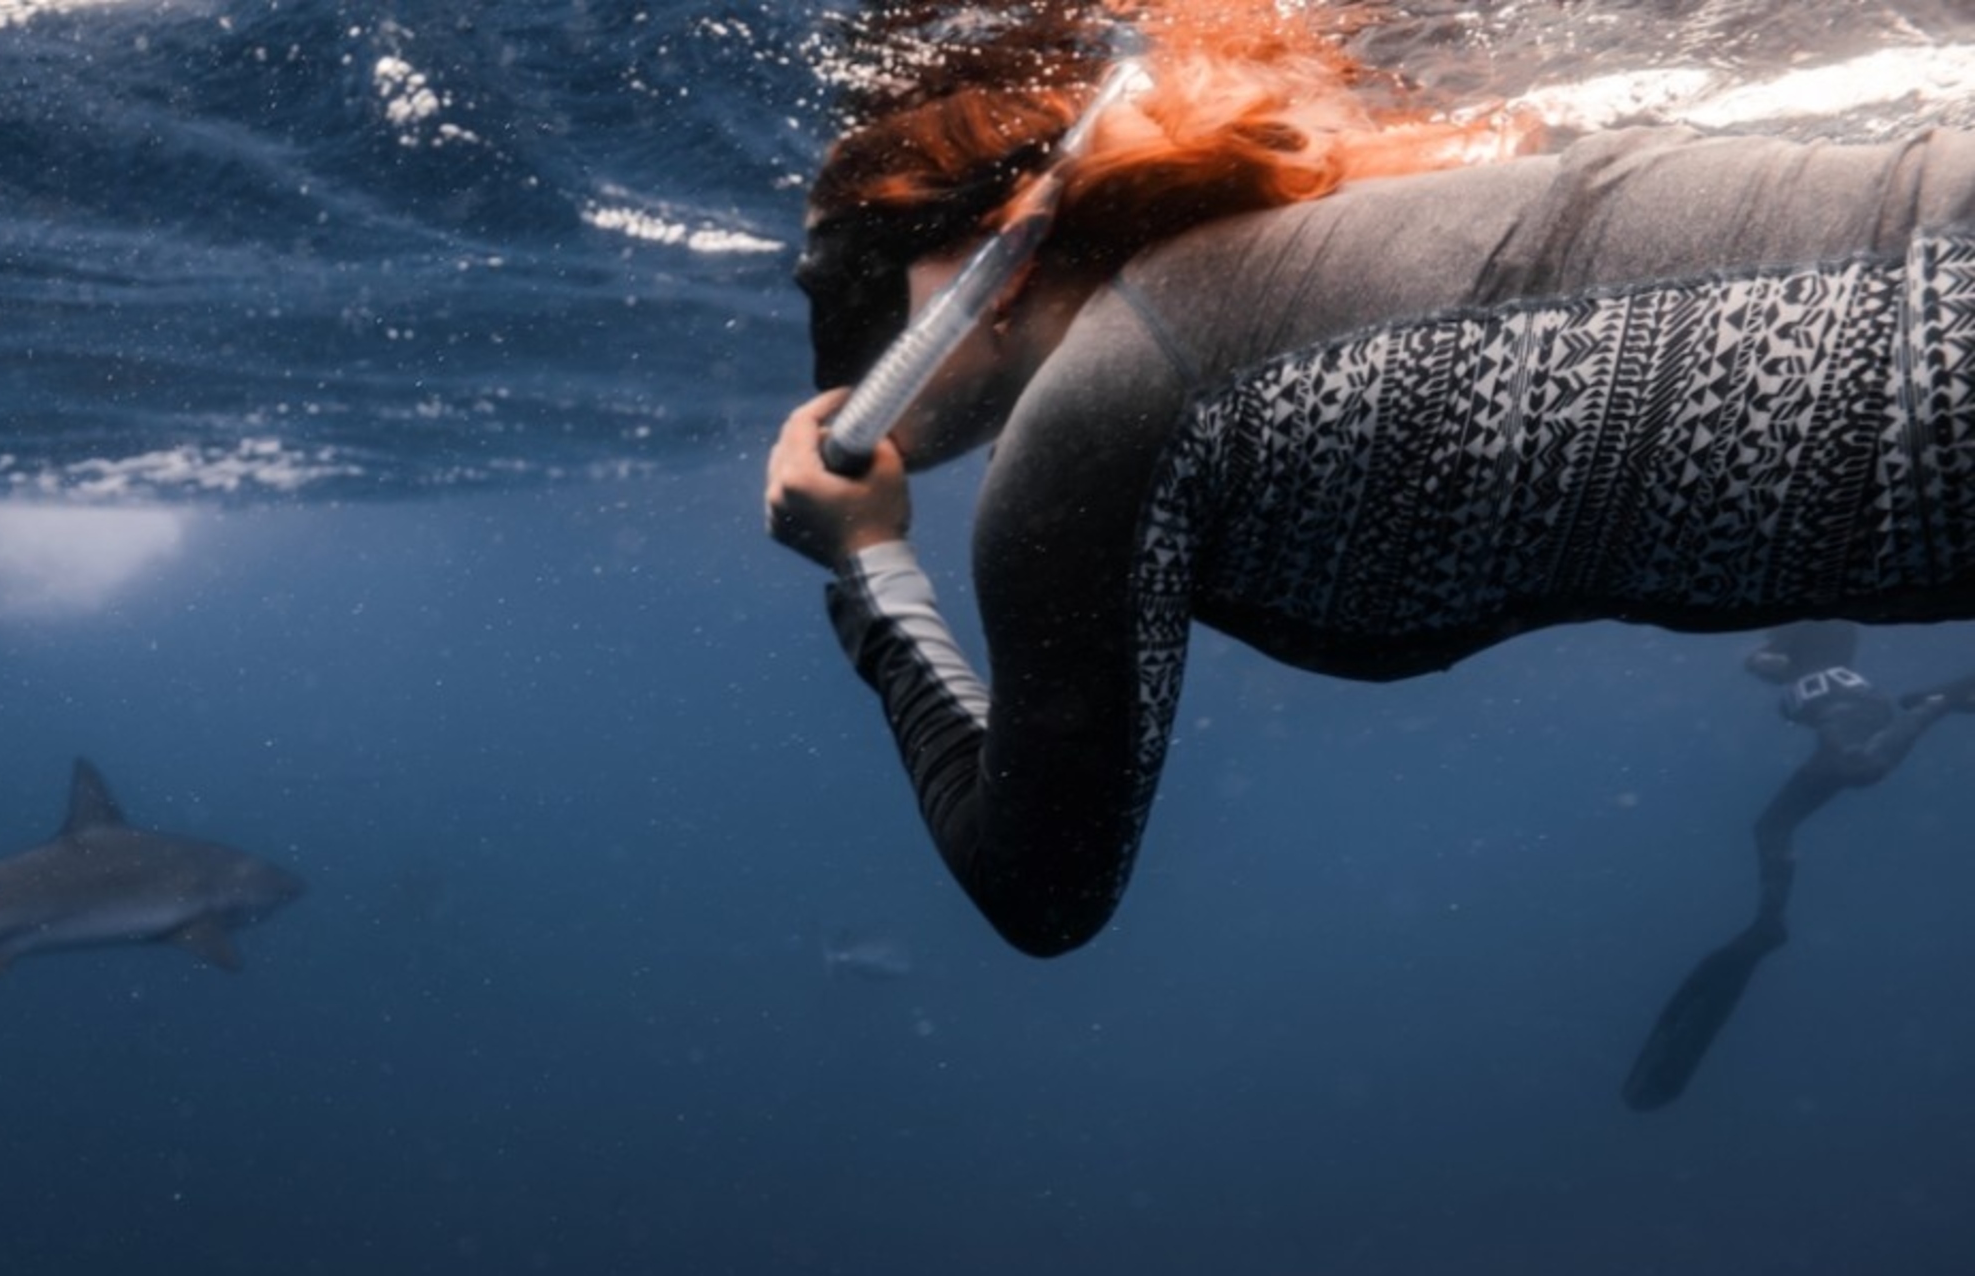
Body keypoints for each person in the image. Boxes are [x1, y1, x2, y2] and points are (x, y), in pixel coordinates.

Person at [763, 0, 1975, 958]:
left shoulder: (1090, 431)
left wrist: (868, 567)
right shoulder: (1287, 243)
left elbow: (1041, 896)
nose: (831, 345)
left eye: (851, 284)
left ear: (994, 249)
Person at [1620, 623, 1975, 1108]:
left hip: (1848, 719)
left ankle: (1938, 702)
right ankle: (1770, 921)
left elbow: (1769, 661)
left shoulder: (1811, 630)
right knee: (1772, 825)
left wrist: (1762, 658)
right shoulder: (1819, 650)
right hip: (1840, 724)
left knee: (1860, 768)